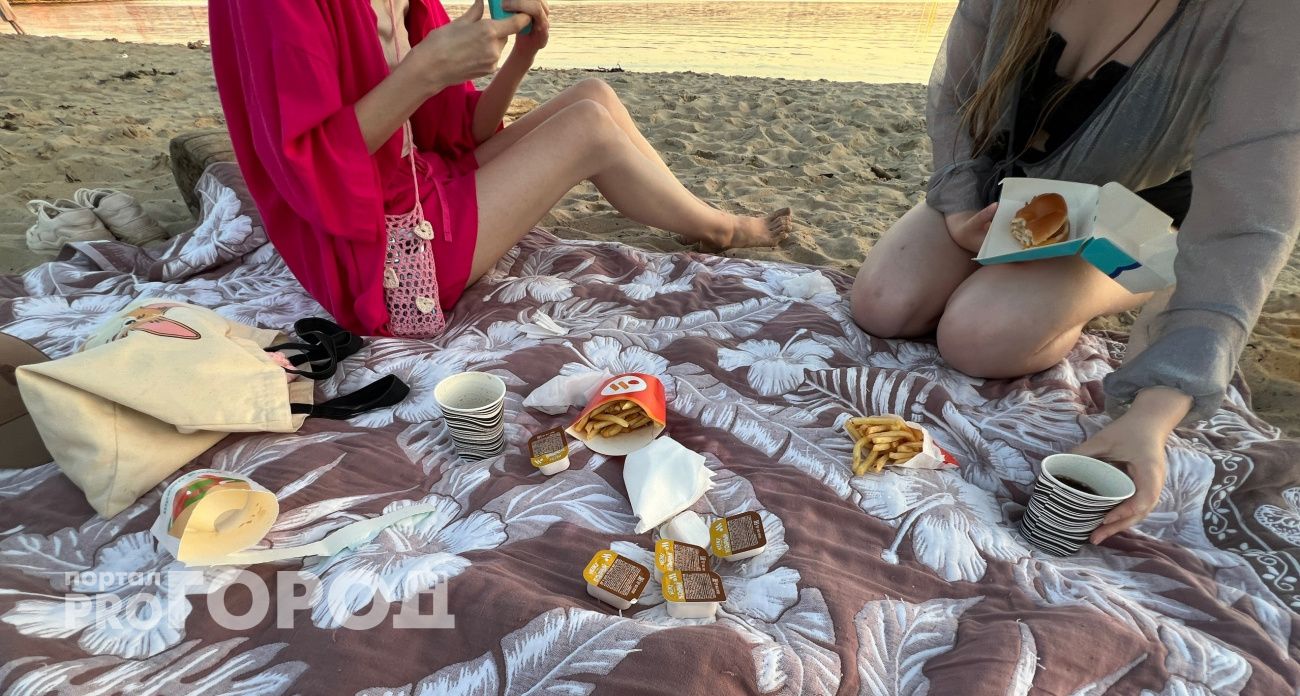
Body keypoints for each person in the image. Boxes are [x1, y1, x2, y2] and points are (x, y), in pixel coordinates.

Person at [850, 0, 1299, 543]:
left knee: (980, 336)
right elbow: (956, 99)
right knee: (884, 305)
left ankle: (1149, 278)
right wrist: (961, 209)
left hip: (1136, 226)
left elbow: (1246, 226)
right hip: (1007, 197)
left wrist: (1154, 414)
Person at [208, 0, 790, 338]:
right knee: (586, 129)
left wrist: (520, 54)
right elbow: (305, 166)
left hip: (421, 183)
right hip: (376, 252)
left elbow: (461, 131)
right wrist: (424, 70)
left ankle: (701, 216)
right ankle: (724, 229)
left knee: (594, 95)